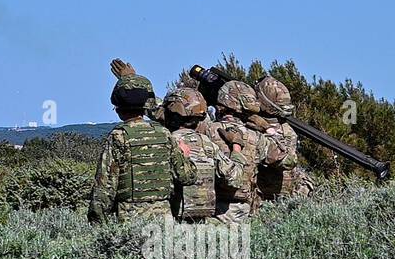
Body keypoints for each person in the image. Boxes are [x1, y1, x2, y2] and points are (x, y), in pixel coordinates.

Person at [90, 73, 191, 224]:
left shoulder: (119, 136)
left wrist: (98, 225)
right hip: (164, 219)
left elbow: (104, 188)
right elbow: (187, 176)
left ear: (118, 108)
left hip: (130, 219)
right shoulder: (164, 133)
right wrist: (184, 155)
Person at [162, 87, 249, 222]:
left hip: (172, 221)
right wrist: (236, 148)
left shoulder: (166, 142)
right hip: (202, 222)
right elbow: (235, 178)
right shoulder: (207, 144)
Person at [203, 79, 267, 219]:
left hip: (214, 208)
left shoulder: (207, 130)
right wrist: (269, 128)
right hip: (246, 208)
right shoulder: (256, 136)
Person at [253, 75, 312, 199]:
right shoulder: (287, 129)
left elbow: (287, 161)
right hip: (280, 195)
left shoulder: (279, 131)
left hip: (263, 194)